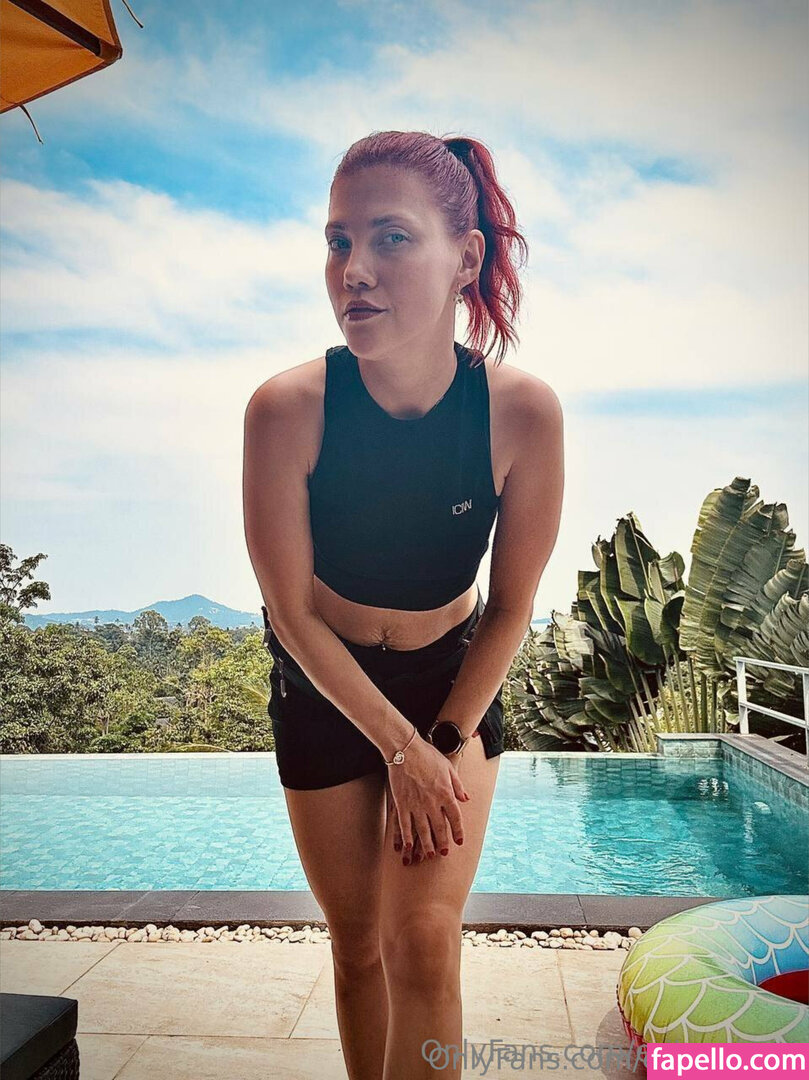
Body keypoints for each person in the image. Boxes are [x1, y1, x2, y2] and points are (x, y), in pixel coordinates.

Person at [242, 130, 564, 1080]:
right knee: (356, 948)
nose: (354, 270)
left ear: (464, 257)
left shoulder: (520, 413)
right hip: (324, 683)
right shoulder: (286, 410)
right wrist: (396, 748)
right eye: (338, 241)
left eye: (390, 238)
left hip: (451, 684)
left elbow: (510, 606)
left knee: (421, 941)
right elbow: (290, 611)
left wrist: (441, 739)